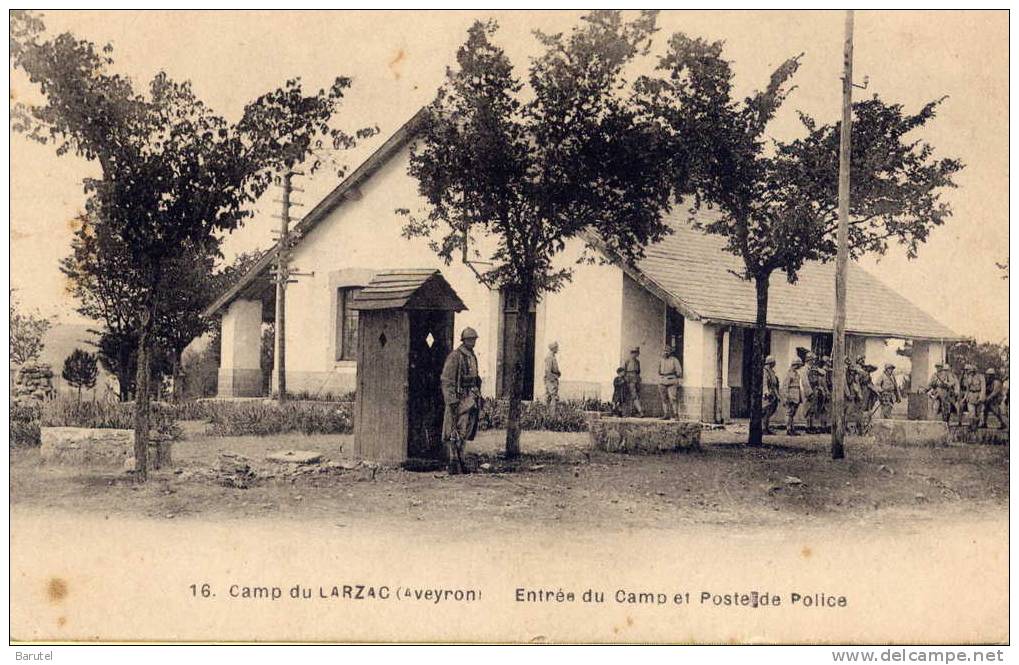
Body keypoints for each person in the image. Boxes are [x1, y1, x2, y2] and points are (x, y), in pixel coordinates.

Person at [440, 327, 483, 474]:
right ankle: (454, 460)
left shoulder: (472, 356)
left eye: (474, 339)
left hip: (471, 397)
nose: (473, 342)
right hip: (459, 399)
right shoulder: (455, 356)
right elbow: (447, 379)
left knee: (466, 429)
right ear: (464, 340)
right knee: (455, 430)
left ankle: (461, 458)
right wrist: (451, 399)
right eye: (470, 339)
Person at [657, 345, 683, 420]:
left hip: (672, 380)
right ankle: (666, 414)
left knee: (673, 398)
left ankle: (676, 415)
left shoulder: (674, 360)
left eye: (667, 351)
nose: (665, 352)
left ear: (670, 352)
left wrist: (676, 378)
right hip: (662, 380)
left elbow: (679, 372)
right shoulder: (661, 360)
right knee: (664, 398)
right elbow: (659, 371)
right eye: (664, 351)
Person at [804, 352, 826, 432]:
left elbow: (823, 373)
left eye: (814, 360)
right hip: (809, 390)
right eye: (812, 360)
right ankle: (807, 426)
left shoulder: (813, 368)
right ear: (808, 360)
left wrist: (816, 369)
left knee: (813, 408)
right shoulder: (805, 369)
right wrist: (809, 392)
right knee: (808, 409)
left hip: (815, 389)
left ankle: (811, 426)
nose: (814, 361)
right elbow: (805, 381)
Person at [783, 358, 805, 436]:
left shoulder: (796, 373)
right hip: (791, 395)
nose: (799, 367)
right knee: (789, 413)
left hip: (796, 395)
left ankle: (792, 428)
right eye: (798, 365)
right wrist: (786, 396)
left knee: (793, 413)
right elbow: (785, 386)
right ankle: (788, 429)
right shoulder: (789, 374)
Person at [960, 364, 985, 431]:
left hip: (978, 394)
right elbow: (967, 389)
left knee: (978, 414)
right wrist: (965, 398)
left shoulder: (981, 377)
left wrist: (981, 397)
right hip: (971, 395)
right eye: (968, 371)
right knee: (971, 413)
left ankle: (975, 427)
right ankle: (972, 426)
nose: (969, 372)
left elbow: (983, 388)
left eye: (970, 371)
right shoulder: (968, 377)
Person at [762, 355, 781, 435]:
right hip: (767, 394)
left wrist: (777, 395)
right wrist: (766, 392)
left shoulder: (772, 371)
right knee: (765, 411)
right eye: (773, 362)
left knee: (770, 411)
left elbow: (774, 385)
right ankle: (763, 428)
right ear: (770, 362)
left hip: (773, 393)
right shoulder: (765, 371)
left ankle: (766, 427)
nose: (775, 364)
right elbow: (764, 383)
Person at [624, 347, 643, 417]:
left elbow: (638, 371)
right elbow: (624, 371)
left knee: (636, 396)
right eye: (634, 353)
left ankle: (634, 412)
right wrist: (626, 379)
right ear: (631, 353)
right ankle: (640, 411)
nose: (635, 355)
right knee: (633, 395)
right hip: (629, 379)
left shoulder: (638, 362)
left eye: (637, 353)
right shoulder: (627, 361)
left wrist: (638, 379)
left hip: (636, 379)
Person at [543, 341, 561, 415]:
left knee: (551, 397)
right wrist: (552, 380)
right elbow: (548, 371)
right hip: (551, 380)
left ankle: (550, 414)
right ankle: (551, 415)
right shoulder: (549, 357)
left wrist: (558, 373)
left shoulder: (552, 356)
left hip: (553, 379)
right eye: (557, 347)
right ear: (554, 348)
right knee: (552, 397)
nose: (558, 349)